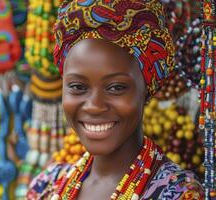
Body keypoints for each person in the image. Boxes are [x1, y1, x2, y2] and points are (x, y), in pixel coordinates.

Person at [27, 0, 205, 199]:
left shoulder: (179, 194)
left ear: (146, 90)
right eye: (78, 87)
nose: (94, 106)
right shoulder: (46, 185)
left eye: (116, 87)